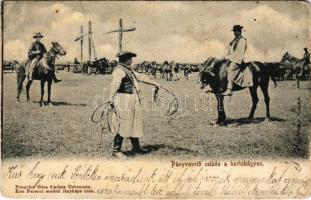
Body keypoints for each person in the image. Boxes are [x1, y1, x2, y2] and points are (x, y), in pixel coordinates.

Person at [108, 51, 160, 159]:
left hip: (131, 100)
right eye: (130, 59)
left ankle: (136, 148)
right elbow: (114, 85)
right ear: (126, 59)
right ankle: (116, 150)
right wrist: (111, 99)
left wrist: (154, 83)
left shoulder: (128, 69)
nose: (131, 61)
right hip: (123, 100)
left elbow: (141, 77)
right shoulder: (119, 71)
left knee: (133, 122)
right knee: (122, 123)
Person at [222, 25, 247, 96]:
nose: (234, 33)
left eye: (236, 31)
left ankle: (229, 89)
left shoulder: (242, 40)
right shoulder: (234, 40)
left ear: (239, 31)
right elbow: (229, 50)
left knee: (230, 70)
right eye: (234, 31)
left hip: (237, 59)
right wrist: (224, 56)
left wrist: (228, 57)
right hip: (231, 58)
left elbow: (239, 53)